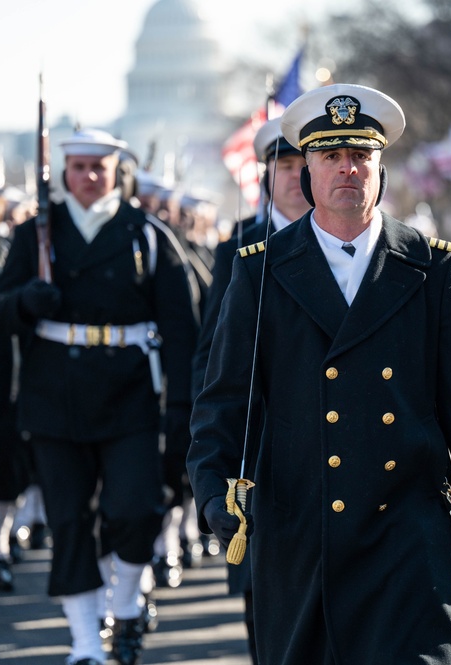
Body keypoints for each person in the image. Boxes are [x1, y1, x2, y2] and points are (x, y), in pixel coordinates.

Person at [188, 83, 451, 665]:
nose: (347, 169)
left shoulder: (431, 266)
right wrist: (213, 488)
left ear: (380, 169)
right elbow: (227, 398)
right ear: (306, 171)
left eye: (360, 156)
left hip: (408, 525)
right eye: (330, 157)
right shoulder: (260, 273)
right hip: (299, 525)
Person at [0, 128, 196, 665]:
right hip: (54, 396)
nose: (86, 177)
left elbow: (181, 328)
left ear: (115, 172)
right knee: (68, 523)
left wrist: (181, 406)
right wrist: (26, 303)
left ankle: (125, 600)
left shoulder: (144, 234)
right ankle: (86, 642)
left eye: (97, 167)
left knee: (134, 511)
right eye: (77, 167)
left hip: (128, 393)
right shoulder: (37, 233)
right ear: (63, 172)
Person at [187, 115, 311, 663]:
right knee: (265, 594)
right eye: (283, 166)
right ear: (265, 175)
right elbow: (213, 359)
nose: (294, 176)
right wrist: (207, 449)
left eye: (303, 164)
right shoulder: (240, 249)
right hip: (260, 446)